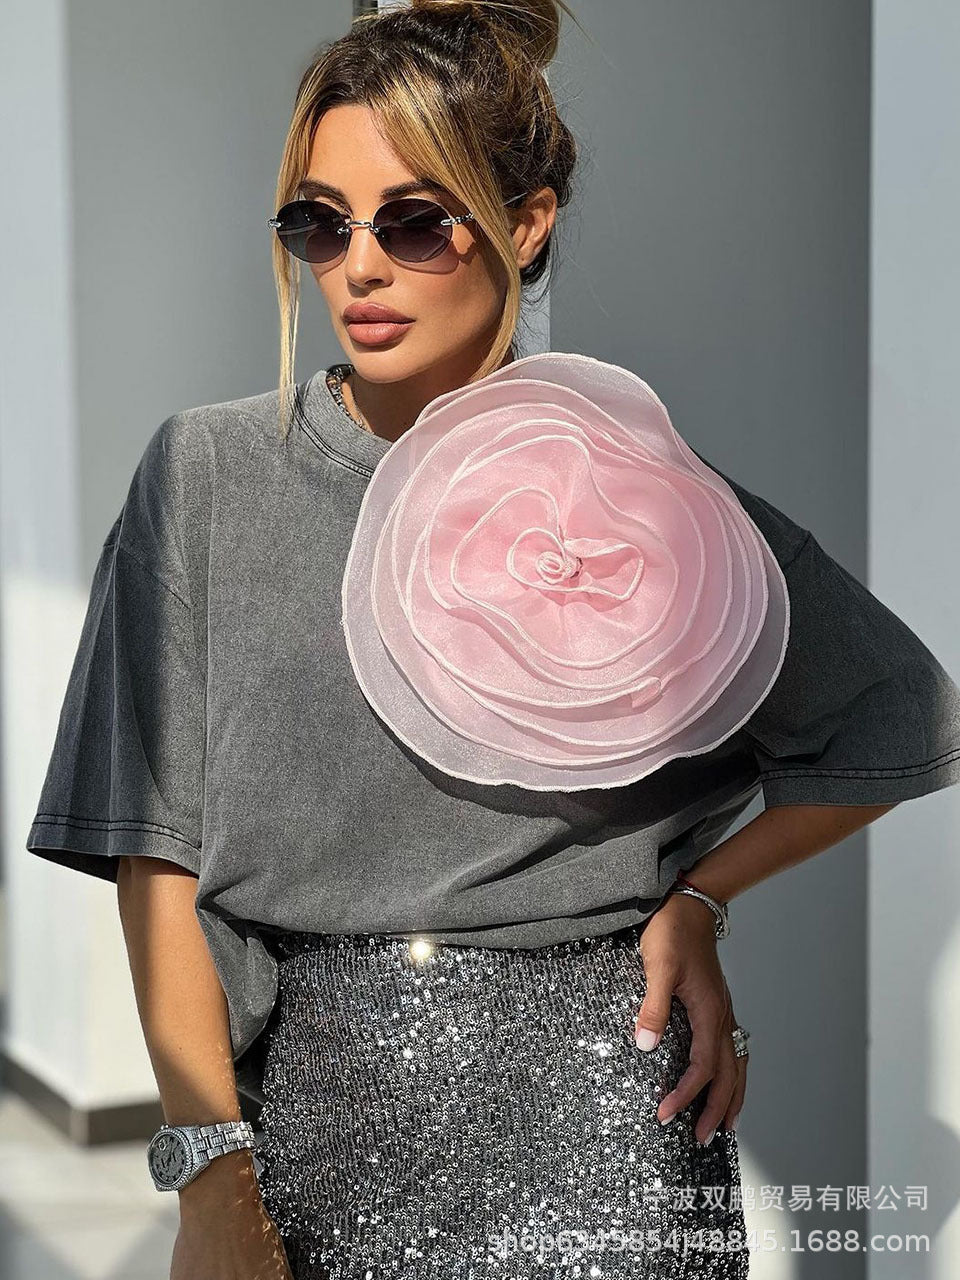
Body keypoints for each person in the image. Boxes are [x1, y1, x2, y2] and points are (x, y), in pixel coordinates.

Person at [24, 2, 960, 1278]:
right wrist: (209, 1170)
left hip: (608, 1135)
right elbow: (155, 851)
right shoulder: (207, 476)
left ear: (526, 224)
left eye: (414, 222)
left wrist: (701, 896)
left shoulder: (638, 495)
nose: (359, 267)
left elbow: (902, 708)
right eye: (320, 223)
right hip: (311, 1130)